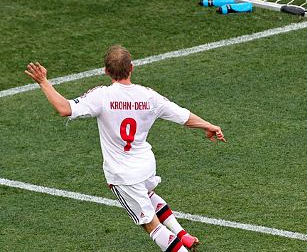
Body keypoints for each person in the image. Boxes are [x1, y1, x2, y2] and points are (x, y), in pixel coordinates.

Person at [25, 45, 226, 252]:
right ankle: (182, 235)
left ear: (106, 71)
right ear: (132, 68)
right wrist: (209, 125)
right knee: (147, 195)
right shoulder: (149, 96)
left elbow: (64, 108)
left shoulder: (102, 96)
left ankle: (180, 247)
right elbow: (182, 115)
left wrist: (43, 82)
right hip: (146, 165)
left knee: (151, 226)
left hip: (123, 175)